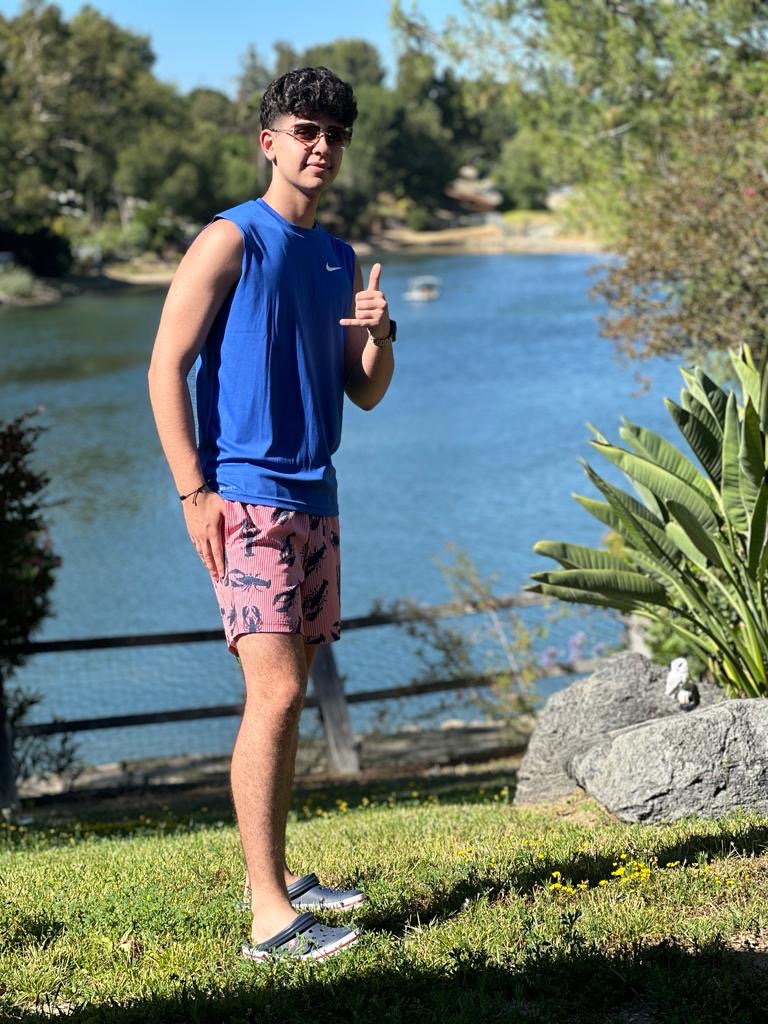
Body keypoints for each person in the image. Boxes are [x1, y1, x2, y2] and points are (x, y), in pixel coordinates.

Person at [147, 66, 395, 961]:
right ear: (269, 141)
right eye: (304, 130)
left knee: (290, 691)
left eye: (334, 134)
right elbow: (164, 366)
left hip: (315, 495)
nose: (319, 146)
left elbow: (362, 394)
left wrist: (378, 331)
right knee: (279, 689)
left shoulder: (333, 258)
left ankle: (281, 875)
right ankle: (268, 918)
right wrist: (193, 492)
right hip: (245, 498)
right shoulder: (230, 239)